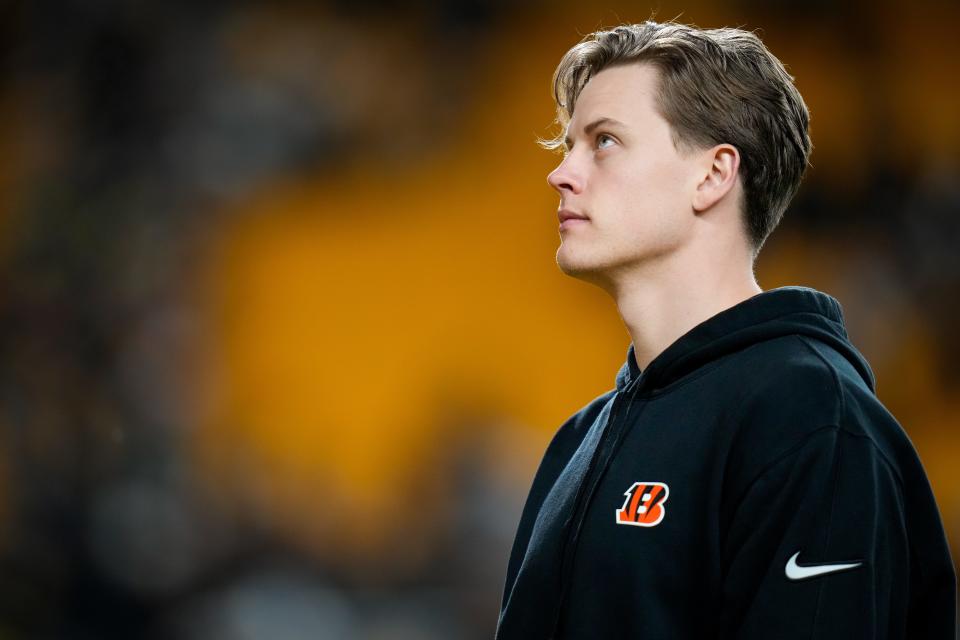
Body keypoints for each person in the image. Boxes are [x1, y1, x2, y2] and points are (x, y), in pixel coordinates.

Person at [495, 20, 957, 639]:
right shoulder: (576, 443)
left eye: (603, 141)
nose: (562, 173)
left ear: (712, 175)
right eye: (568, 145)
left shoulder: (812, 417)